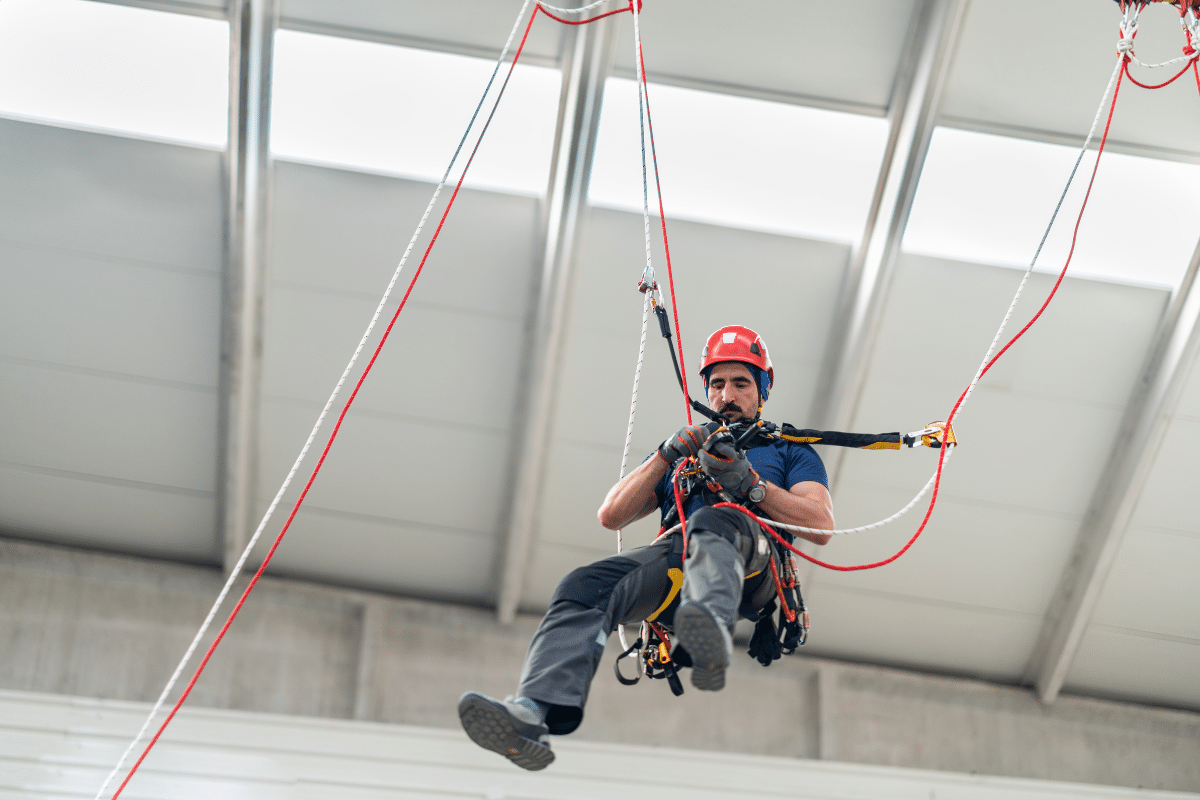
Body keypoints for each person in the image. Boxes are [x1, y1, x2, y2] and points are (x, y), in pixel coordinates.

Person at [458, 325, 835, 770]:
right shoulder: (686, 456)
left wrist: (750, 485)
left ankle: (709, 628)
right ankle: (532, 711)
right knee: (585, 584)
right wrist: (664, 455)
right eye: (717, 384)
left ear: (762, 390)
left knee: (716, 520)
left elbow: (821, 524)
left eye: (741, 383)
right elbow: (611, 515)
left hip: (752, 566)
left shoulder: (789, 450)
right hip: (679, 566)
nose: (727, 394)